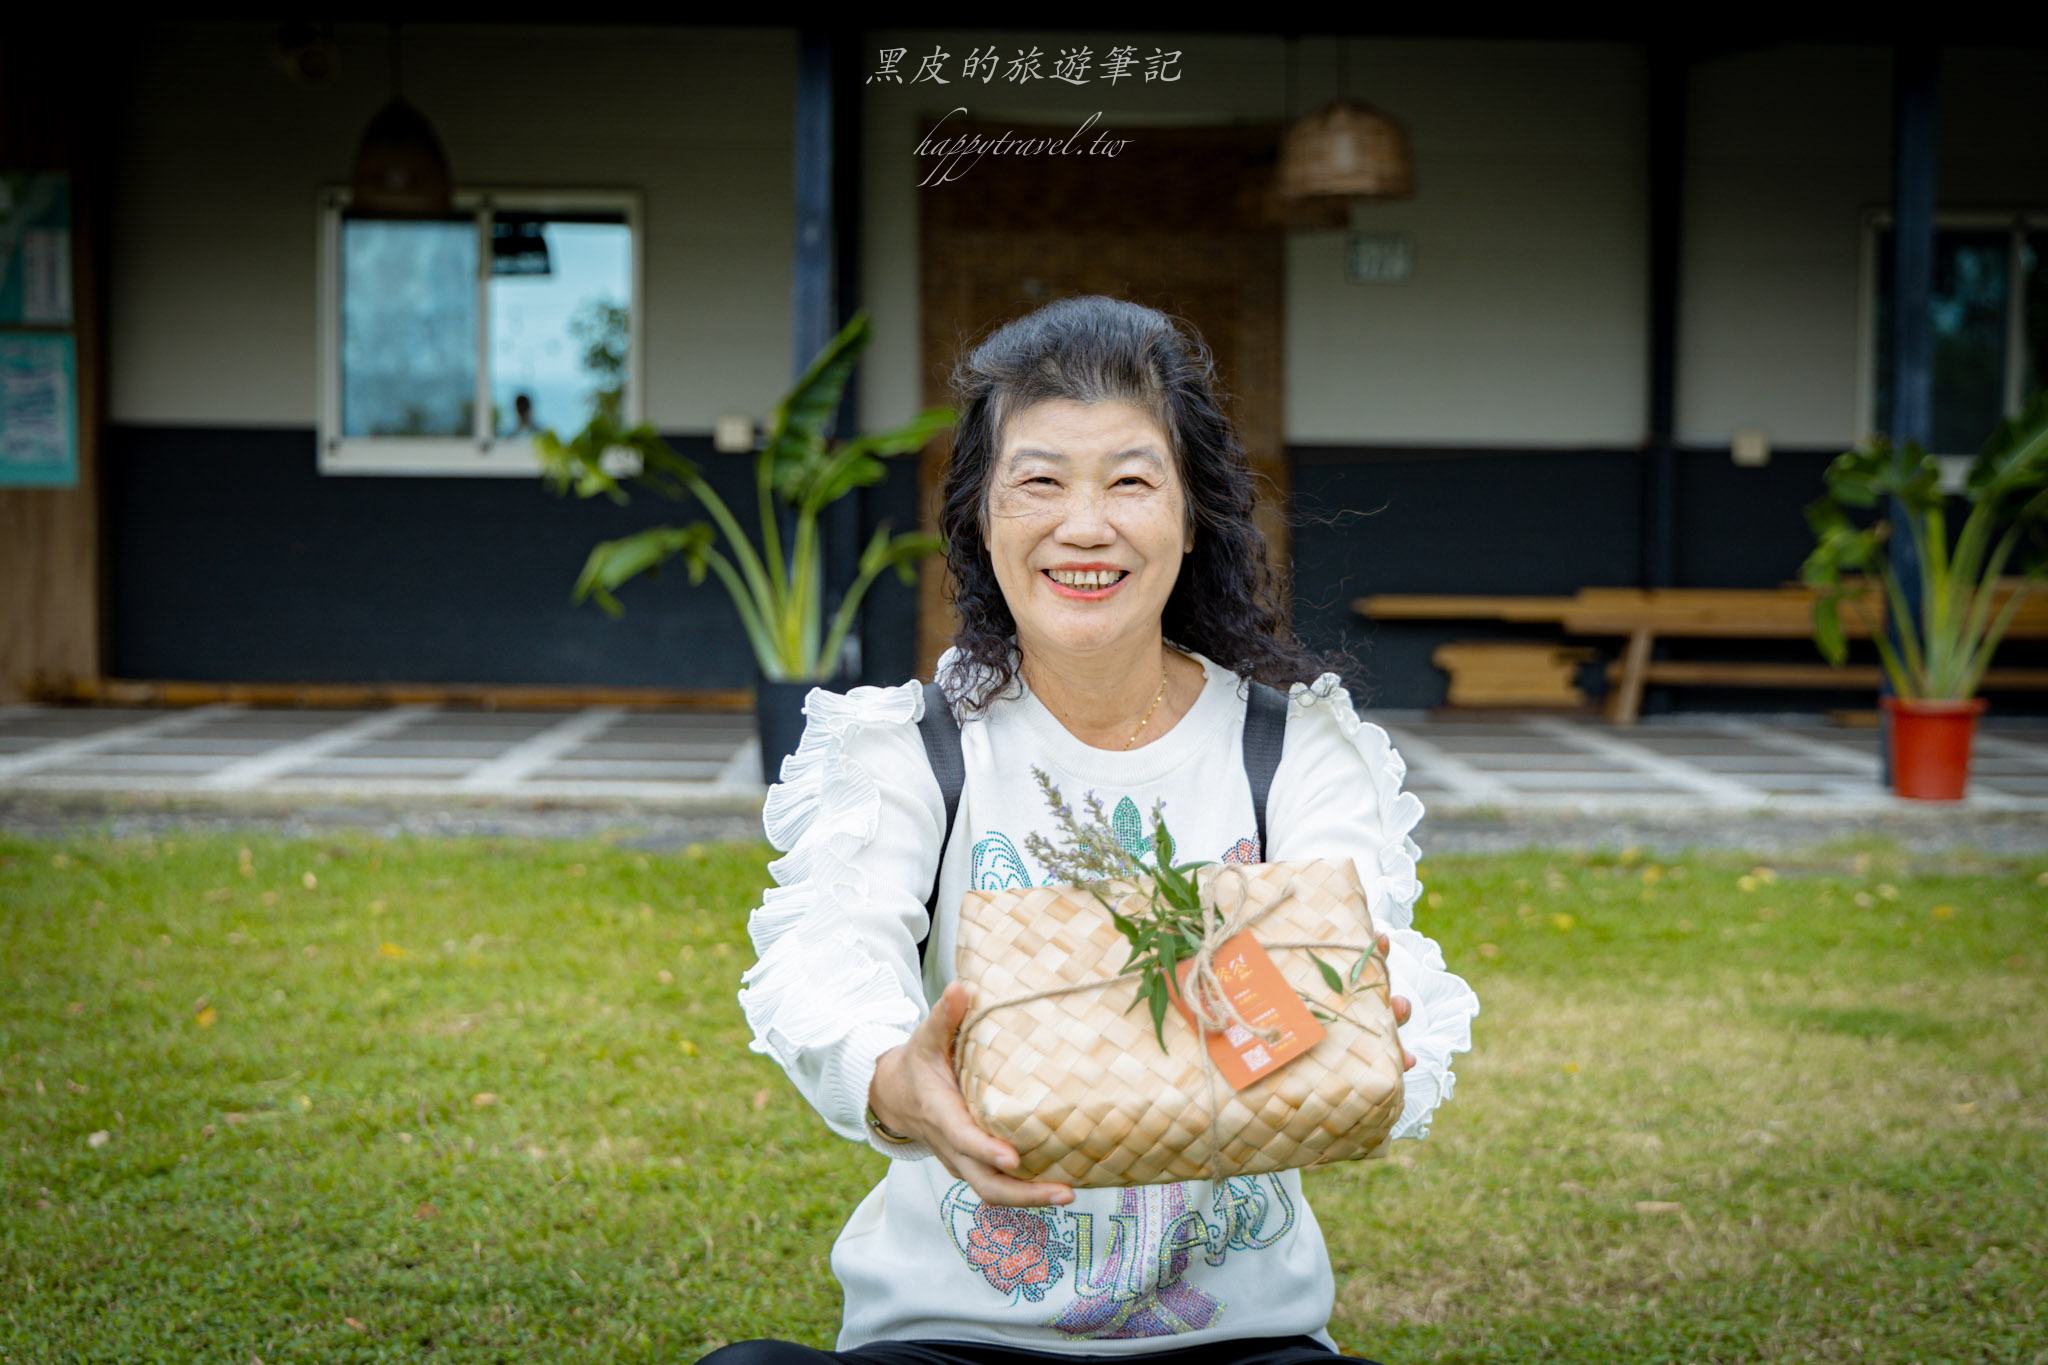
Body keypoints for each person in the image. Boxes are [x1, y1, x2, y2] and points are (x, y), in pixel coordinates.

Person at [712, 295, 1480, 1364]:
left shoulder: (1288, 750)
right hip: (948, 1340)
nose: (1084, 525)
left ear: (1191, 513)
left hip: (1241, 1345)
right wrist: (900, 1079)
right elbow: (827, 959)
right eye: (1038, 481)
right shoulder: (915, 750)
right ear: (983, 518)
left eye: (1129, 480)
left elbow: (1381, 972)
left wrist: (1371, 1041)